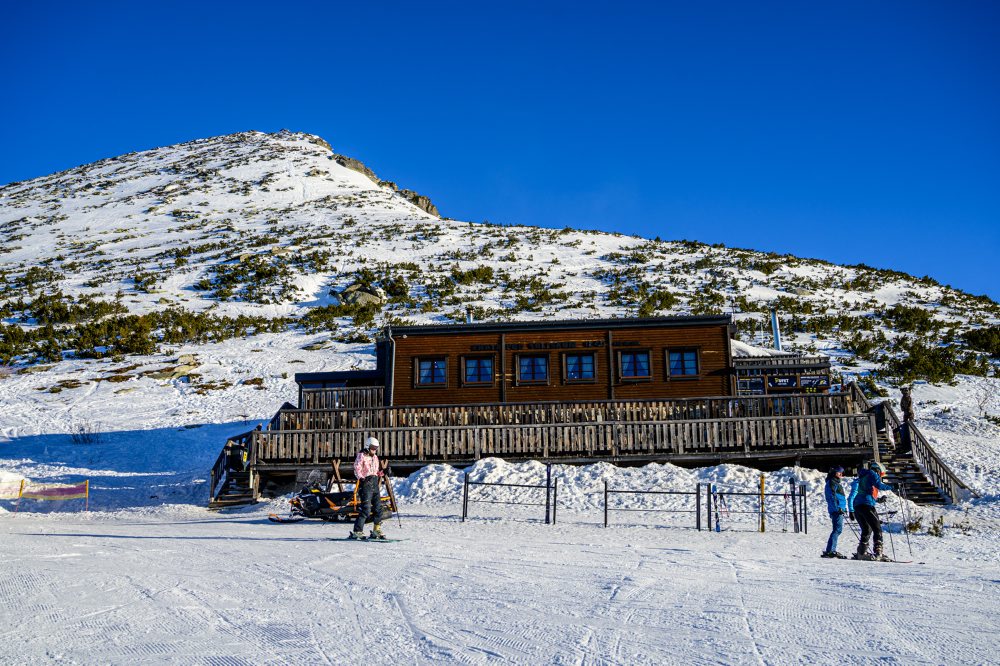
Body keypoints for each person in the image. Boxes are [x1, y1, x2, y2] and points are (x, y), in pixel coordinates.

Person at [848, 461, 894, 561]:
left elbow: (865, 492)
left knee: (866, 529)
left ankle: (861, 552)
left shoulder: (864, 475)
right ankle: (878, 553)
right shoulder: (872, 473)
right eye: (881, 474)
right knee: (877, 528)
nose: (880, 476)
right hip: (866, 506)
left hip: (858, 506)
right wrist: (893, 486)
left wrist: (878, 500)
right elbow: (879, 485)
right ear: (878, 470)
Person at [350, 437, 386, 540]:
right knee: (366, 509)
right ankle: (357, 531)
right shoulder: (361, 456)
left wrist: (383, 472)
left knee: (378, 508)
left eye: (376, 448)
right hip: (366, 484)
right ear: (367, 446)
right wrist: (361, 478)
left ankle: (376, 530)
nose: (374, 450)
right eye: (372, 448)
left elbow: (375, 472)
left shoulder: (375, 457)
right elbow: (357, 468)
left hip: (374, 484)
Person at [821, 466, 848, 559]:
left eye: (842, 472)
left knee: (837, 529)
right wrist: (838, 508)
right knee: (837, 529)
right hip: (837, 510)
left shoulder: (835, 482)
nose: (841, 474)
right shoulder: (832, 482)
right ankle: (830, 551)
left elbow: (839, 497)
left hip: (839, 509)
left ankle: (831, 550)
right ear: (834, 473)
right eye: (839, 472)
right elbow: (831, 497)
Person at [898, 387, 915, 453]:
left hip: (909, 411)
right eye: (904, 391)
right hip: (905, 411)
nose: (905, 392)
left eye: (906, 391)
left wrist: (908, 409)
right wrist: (902, 408)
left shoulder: (909, 397)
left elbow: (910, 404)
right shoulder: (903, 397)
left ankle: (910, 424)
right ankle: (906, 424)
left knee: (910, 417)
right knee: (905, 419)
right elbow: (901, 403)